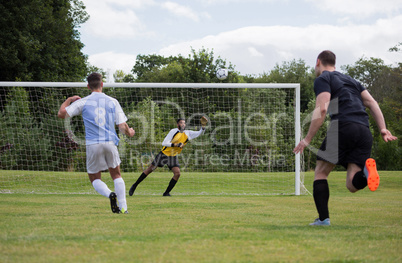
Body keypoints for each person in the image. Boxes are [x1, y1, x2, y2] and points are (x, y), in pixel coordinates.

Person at [293, 50, 397, 226]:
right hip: (364, 130)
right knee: (352, 184)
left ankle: (323, 219)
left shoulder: (323, 79)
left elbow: (322, 109)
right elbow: (372, 103)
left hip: (342, 126)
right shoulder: (352, 80)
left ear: (318, 62)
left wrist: (307, 139)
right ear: (334, 62)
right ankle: (366, 172)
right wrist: (383, 129)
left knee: (320, 172)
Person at [58, 72, 135, 214]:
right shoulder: (113, 101)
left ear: (88, 86)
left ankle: (110, 195)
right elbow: (122, 126)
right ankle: (124, 208)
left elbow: (61, 114)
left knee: (94, 178)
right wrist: (130, 132)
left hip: (93, 144)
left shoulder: (84, 101)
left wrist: (69, 99)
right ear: (102, 84)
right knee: (116, 175)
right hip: (110, 142)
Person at [129, 117, 208, 196]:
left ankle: (166, 193)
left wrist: (203, 127)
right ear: (178, 125)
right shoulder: (173, 131)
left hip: (172, 157)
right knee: (150, 169)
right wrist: (176, 144)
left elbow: (200, 133)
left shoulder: (188, 133)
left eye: (184, 123)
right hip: (164, 154)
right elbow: (164, 143)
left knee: (177, 173)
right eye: (181, 123)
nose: (183, 124)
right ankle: (134, 185)